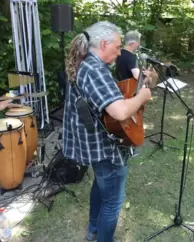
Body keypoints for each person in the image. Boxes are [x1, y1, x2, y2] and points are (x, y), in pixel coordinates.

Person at [63, 22, 152, 242]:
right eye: (117, 46)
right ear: (104, 43)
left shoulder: (86, 64)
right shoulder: (94, 70)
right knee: (113, 201)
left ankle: (93, 229)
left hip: (95, 143)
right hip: (103, 147)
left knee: (101, 186)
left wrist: (144, 84)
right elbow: (120, 111)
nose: (120, 52)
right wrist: (141, 97)